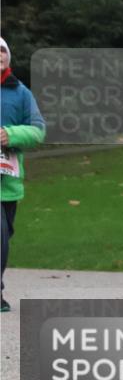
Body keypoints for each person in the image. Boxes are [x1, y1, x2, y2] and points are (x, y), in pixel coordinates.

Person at [0, 37, 46, 312]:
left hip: (7, 182)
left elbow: (38, 130)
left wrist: (11, 135)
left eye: (2, 50)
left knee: (4, 236)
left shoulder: (20, 93)